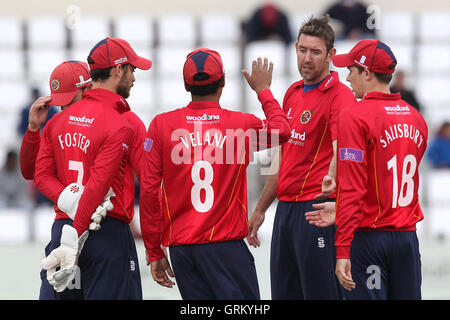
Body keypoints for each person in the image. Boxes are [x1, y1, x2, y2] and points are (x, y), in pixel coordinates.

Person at [139, 48, 290, 299]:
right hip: (226, 250)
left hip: (183, 251)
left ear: (186, 85)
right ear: (223, 82)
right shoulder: (240, 125)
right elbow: (282, 130)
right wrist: (263, 91)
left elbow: (148, 191)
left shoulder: (160, 125)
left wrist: (154, 250)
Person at [247, 15, 356, 300]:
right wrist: (260, 209)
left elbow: (343, 151)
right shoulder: (293, 93)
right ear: (295, 48)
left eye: (316, 52)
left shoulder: (340, 96)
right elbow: (282, 158)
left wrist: (336, 196)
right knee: (284, 294)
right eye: (303, 50)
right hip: (285, 211)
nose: (307, 58)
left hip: (315, 210)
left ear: (331, 55)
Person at [33, 37, 151, 299]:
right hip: (107, 231)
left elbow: (38, 176)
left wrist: (72, 202)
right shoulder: (127, 121)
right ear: (118, 70)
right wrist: (155, 247)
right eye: (131, 69)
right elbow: (149, 184)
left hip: (62, 230)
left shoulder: (56, 122)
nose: (134, 77)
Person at [331, 39, 428, 299]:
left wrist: (342, 248)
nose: (348, 78)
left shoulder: (353, 116)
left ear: (367, 72)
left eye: (351, 70)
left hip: (369, 238)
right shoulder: (416, 117)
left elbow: (352, 187)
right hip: (407, 239)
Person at [19, 60, 92, 300]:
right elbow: (30, 172)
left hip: (69, 225)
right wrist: (32, 129)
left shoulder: (55, 126)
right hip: (92, 223)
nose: (65, 107)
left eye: (69, 99)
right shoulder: (54, 127)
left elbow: (32, 173)